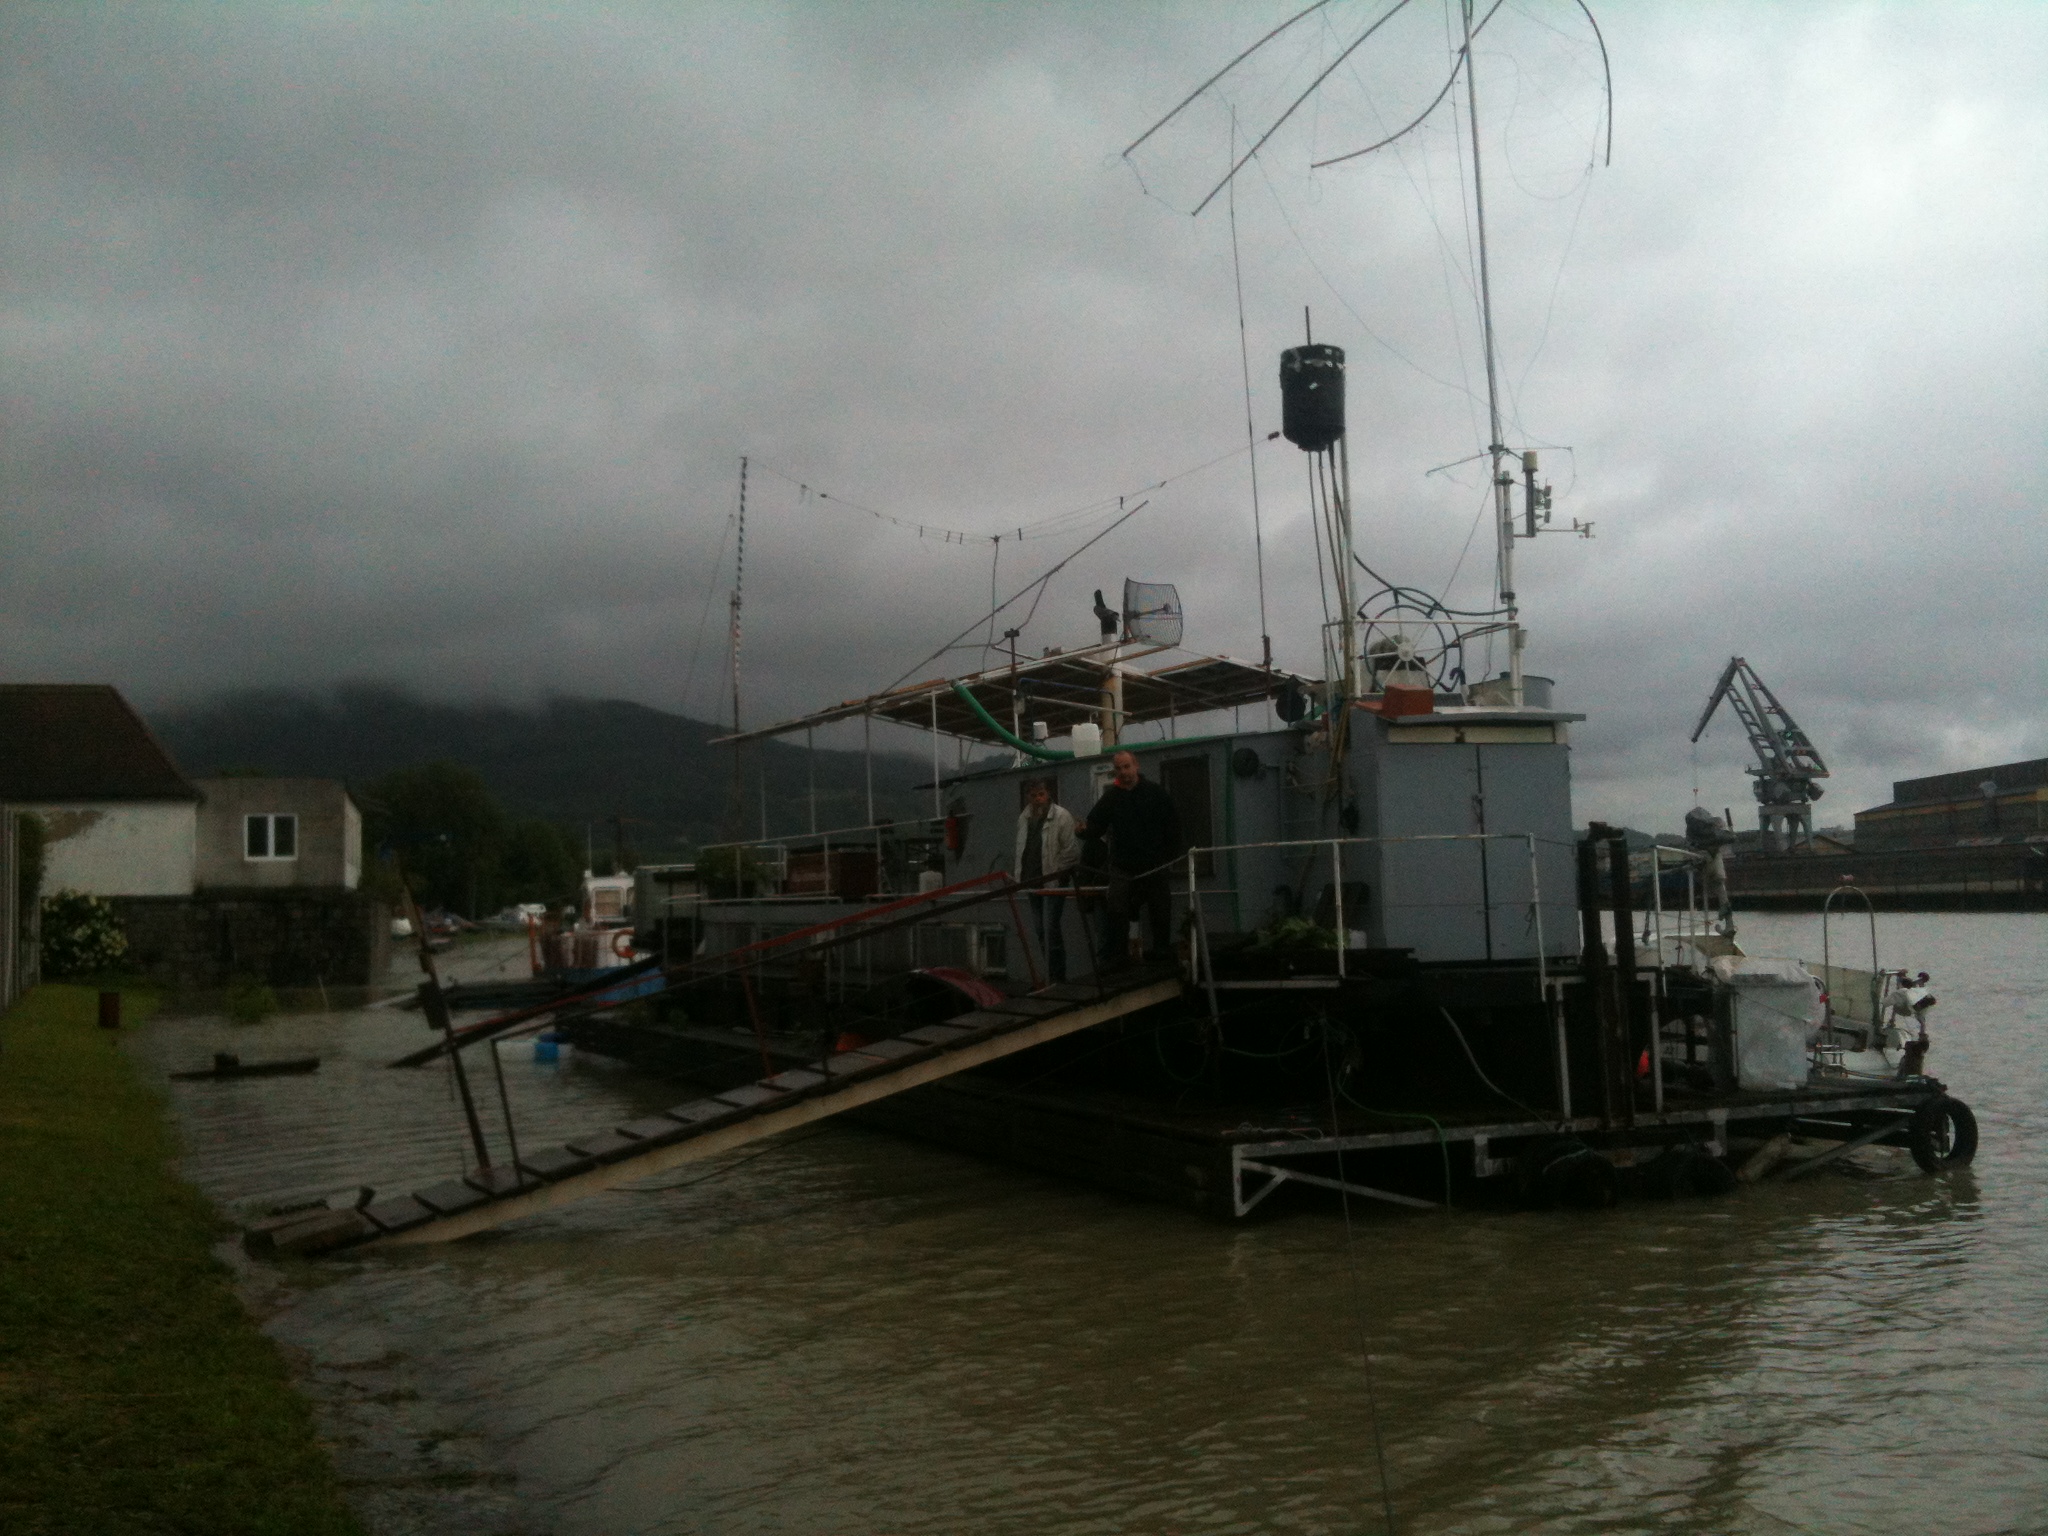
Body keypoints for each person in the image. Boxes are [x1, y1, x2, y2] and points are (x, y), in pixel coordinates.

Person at [1081, 749, 1183, 969]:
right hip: (1123, 864)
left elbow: (1173, 825)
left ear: (1136, 766)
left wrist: (1171, 856)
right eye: (1119, 768)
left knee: (1160, 905)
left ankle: (1161, 949)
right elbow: (1095, 824)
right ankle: (1119, 955)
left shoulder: (1155, 793)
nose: (1123, 772)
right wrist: (1082, 831)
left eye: (1127, 766)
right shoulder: (1111, 797)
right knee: (1117, 905)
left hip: (1154, 862)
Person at [1013, 779, 1080, 981]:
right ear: (1028, 797)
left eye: (1040, 794)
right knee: (1041, 931)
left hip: (1053, 881)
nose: (1037, 799)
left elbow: (1071, 852)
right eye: (1033, 795)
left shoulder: (1062, 816)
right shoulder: (1023, 818)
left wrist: (1057, 872)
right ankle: (1051, 976)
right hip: (1031, 881)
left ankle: (1057, 977)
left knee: (1051, 929)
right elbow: (1020, 850)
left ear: (1048, 794)